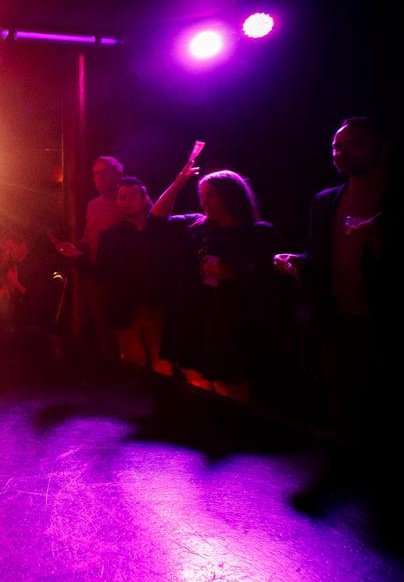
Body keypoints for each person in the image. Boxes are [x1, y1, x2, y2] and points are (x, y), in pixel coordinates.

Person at [274, 116, 394, 439]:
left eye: (354, 144)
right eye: (336, 146)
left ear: (384, 148)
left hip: (383, 323)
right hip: (338, 322)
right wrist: (298, 263)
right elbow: (319, 257)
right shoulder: (326, 200)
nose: (341, 152)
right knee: (342, 407)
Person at [149, 164, 293, 401]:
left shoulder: (259, 233)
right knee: (197, 378)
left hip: (233, 323)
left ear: (231, 196)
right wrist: (177, 184)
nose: (204, 201)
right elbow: (155, 221)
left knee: (230, 385)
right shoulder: (197, 225)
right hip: (196, 316)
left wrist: (234, 272)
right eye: (201, 195)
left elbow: (275, 279)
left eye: (211, 195)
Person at [60, 177, 170, 373]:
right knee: (132, 363)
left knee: (162, 363)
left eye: (132, 197)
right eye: (122, 198)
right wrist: (77, 257)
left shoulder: (159, 231)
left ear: (145, 200)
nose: (126, 201)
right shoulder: (110, 236)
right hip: (124, 309)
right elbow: (102, 275)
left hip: (155, 306)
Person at [55, 156, 125, 355]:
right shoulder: (93, 205)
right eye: (95, 173)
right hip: (96, 277)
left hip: (123, 280)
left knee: (126, 335)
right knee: (104, 333)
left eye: (104, 172)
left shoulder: (130, 198)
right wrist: (74, 248)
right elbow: (89, 240)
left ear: (117, 174)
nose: (99, 177)